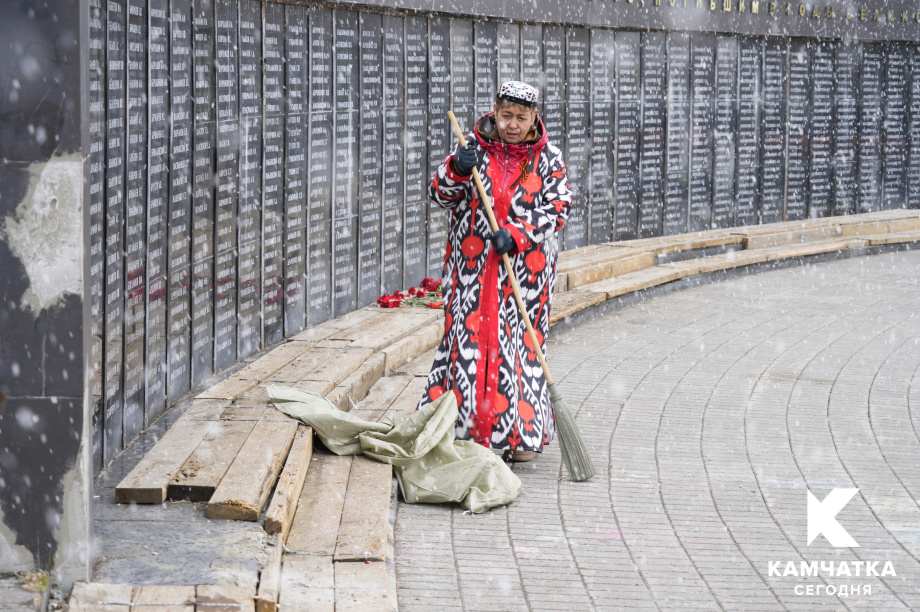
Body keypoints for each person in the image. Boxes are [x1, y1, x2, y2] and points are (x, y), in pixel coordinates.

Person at [419, 80, 573, 462]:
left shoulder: (548, 158)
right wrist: (456, 168)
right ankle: (464, 430)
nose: (513, 125)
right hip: (472, 269)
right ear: (495, 111)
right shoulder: (473, 148)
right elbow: (440, 194)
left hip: (524, 275)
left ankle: (518, 435)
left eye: (521, 117)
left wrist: (519, 234)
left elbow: (559, 206)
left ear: (534, 117)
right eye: (506, 116)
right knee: (469, 344)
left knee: (518, 346)